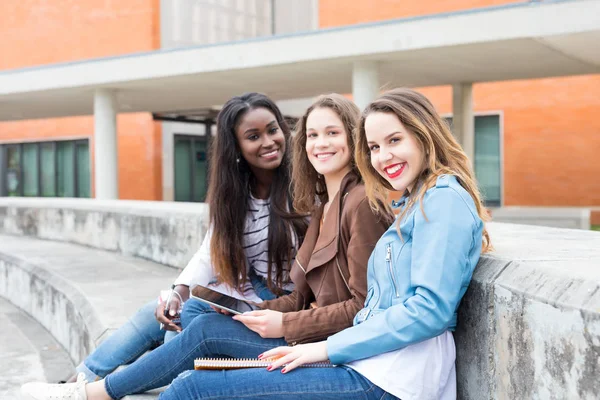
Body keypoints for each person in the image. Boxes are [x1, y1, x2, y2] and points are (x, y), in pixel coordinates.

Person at [21, 93, 392, 400]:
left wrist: (282, 319)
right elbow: (293, 289)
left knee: (196, 358)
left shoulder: (348, 202)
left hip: (335, 350)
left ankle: (92, 392)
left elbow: (362, 307)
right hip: (299, 322)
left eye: (332, 133)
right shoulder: (326, 203)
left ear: (355, 138)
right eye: (312, 135)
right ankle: (84, 383)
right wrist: (255, 313)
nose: (320, 143)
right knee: (187, 316)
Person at [157, 87, 493, 400]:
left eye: (394, 140)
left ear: (424, 135)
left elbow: (429, 311)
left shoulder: (443, 199)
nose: (382, 156)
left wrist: (323, 349)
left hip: (396, 378)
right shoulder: (412, 202)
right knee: (194, 372)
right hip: (368, 359)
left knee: (195, 389)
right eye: (374, 147)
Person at [55, 92, 308, 384]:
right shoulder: (235, 195)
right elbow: (209, 252)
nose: (268, 142)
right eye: (253, 136)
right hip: (248, 293)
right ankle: (81, 378)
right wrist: (178, 291)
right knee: (159, 312)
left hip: (281, 304)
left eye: (273, 130)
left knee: (190, 318)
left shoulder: (302, 187)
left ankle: (118, 384)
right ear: (236, 147)